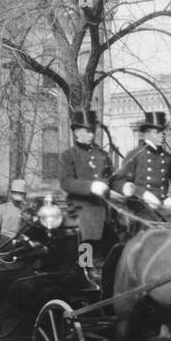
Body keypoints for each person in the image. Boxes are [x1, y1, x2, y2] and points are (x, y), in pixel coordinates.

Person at [58, 109, 114, 270]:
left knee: (120, 236)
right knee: (87, 236)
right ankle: (86, 271)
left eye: (92, 131)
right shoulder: (68, 155)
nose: (91, 135)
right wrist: (91, 187)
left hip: (104, 208)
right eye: (87, 131)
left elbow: (111, 177)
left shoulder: (102, 155)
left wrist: (124, 187)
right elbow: (66, 182)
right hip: (80, 208)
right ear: (76, 132)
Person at [111, 111, 171, 209]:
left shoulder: (169, 158)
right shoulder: (135, 155)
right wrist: (142, 193)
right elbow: (117, 181)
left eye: (163, 132)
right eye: (157, 132)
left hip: (162, 206)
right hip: (139, 207)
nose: (162, 135)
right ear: (147, 133)